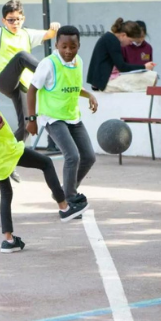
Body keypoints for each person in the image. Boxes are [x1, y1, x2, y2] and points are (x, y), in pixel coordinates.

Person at [0, 59, 89, 253]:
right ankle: (65, 207)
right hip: (5, 151)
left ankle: (8, 240)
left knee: (6, 192)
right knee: (46, 163)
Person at [0, 0, 60, 144]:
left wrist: (54, 28)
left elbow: (49, 34)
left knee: (27, 127)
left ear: (23, 19)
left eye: (18, 20)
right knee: (21, 56)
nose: (15, 23)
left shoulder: (26, 34)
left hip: (22, 85)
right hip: (2, 80)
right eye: (11, 20)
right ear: (4, 20)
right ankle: (50, 75)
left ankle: (7, 153)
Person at [26, 25, 97, 203]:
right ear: (56, 44)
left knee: (88, 157)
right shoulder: (48, 64)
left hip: (73, 117)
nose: (68, 51)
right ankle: (69, 199)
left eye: (72, 47)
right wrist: (31, 119)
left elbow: (73, 86)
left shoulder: (78, 61)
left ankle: (66, 190)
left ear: (78, 46)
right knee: (72, 156)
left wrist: (89, 94)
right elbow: (32, 90)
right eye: (64, 46)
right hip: (53, 117)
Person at [87, 18, 156, 93]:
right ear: (123, 35)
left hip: (100, 81)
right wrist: (144, 67)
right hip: (104, 83)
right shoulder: (113, 41)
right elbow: (122, 67)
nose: (130, 43)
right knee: (151, 76)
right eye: (130, 41)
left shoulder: (109, 38)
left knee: (148, 77)